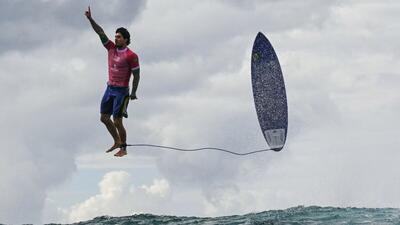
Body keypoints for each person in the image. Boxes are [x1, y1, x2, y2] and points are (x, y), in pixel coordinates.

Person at [85, 6, 140, 157]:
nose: (116, 38)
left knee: (117, 121)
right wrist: (90, 19)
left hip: (122, 92)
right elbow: (100, 32)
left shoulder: (131, 55)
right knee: (103, 118)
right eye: (115, 36)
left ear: (126, 40)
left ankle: (123, 148)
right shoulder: (110, 48)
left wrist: (133, 93)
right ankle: (116, 140)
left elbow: (137, 75)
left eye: (119, 37)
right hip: (109, 88)